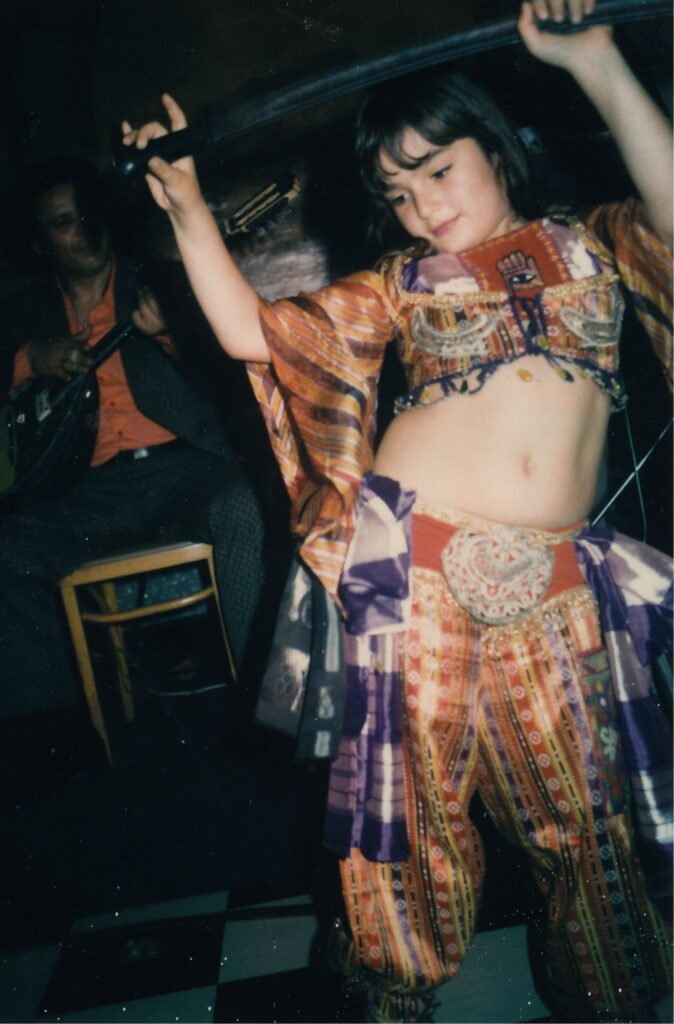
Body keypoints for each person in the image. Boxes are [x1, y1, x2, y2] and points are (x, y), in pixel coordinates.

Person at [124, 1, 672, 1020]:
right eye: (398, 193)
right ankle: (391, 1003)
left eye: (437, 170)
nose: (421, 207)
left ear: (494, 146)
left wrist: (596, 61)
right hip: (408, 573)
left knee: (584, 823)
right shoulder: (400, 283)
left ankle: (615, 1003)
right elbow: (251, 335)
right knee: (404, 821)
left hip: (556, 590)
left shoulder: (597, 245)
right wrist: (189, 206)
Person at [0, 155, 279, 740]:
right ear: (39, 242)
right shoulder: (24, 310)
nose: (84, 231)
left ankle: (266, 713)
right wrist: (32, 358)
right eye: (63, 222)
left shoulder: (157, 280)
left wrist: (173, 334)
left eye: (87, 215)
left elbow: (232, 379)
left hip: (181, 471)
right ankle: (52, 741)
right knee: (8, 551)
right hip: (83, 492)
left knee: (240, 501)